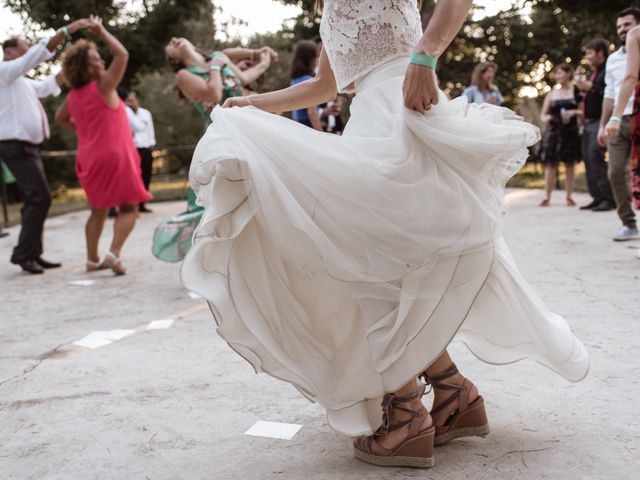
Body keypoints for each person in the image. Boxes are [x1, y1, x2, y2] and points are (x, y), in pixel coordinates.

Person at [182, 0, 588, 469]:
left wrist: (425, 54)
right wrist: (252, 104)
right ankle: (455, 394)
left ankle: (406, 417)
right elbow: (324, 86)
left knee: (373, 267)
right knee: (390, 264)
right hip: (369, 125)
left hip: (407, 110)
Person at [151, 40, 276, 263]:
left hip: (247, 127)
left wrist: (262, 58)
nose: (173, 40)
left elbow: (244, 79)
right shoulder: (184, 75)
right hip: (219, 134)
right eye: (169, 44)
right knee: (217, 198)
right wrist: (216, 67)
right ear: (174, 58)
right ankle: (207, 261)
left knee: (255, 188)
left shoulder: (219, 54)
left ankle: (252, 253)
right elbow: (213, 94)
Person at [55, 16, 151, 275]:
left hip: (88, 157)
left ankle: (91, 258)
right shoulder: (104, 85)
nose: (102, 60)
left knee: (97, 210)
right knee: (129, 207)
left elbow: (60, 118)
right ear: (86, 67)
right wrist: (101, 31)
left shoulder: (73, 96)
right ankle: (113, 254)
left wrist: (83, 132)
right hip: (116, 155)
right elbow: (122, 54)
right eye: (96, 58)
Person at [0, 20, 90, 274]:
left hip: (26, 147)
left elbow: (48, 85)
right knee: (40, 198)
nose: (28, 51)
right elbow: (38, 55)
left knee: (36, 199)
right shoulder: (4, 72)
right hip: (15, 146)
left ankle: (32, 253)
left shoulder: (21, 83)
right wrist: (67, 31)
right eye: (23, 48)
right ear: (9, 52)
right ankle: (24, 254)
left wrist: (73, 66)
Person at [599, 7, 640, 241]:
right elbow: (610, 93)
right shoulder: (613, 59)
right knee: (615, 172)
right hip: (618, 119)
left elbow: (631, 78)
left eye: (627, 24)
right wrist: (605, 123)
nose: (622, 30)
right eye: (619, 26)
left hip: (638, 117)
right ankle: (629, 222)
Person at [576, 39, 616, 211]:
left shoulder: (607, 70)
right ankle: (597, 197)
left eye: (590, 53)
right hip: (588, 122)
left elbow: (608, 93)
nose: (587, 57)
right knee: (587, 159)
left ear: (601, 53)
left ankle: (608, 198)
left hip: (601, 121)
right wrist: (582, 86)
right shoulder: (595, 72)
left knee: (596, 158)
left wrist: (590, 86)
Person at [538, 63, 583, 207]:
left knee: (570, 164)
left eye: (560, 73)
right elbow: (543, 115)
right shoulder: (551, 94)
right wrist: (549, 118)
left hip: (570, 132)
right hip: (555, 132)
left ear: (569, 74)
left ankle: (569, 196)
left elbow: (583, 112)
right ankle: (547, 196)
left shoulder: (576, 92)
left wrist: (574, 112)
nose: (557, 76)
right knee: (551, 164)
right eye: (556, 73)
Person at [125, 91, 156, 213]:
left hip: (145, 147)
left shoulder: (145, 113)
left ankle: (142, 203)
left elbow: (150, 130)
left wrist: (152, 143)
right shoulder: (125, 113)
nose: (131, 103)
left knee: (146, 176)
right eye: (128, 100)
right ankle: (133, 203)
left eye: (132, 100)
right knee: (133, 177)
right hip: (132, 148)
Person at [290, 40, 323, 130]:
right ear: (311, 58)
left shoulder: (295, 80)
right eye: (316, 56)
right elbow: (312, 113)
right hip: (308, 126)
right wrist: (322, 134)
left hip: (297, 125)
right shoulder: (309, 81)